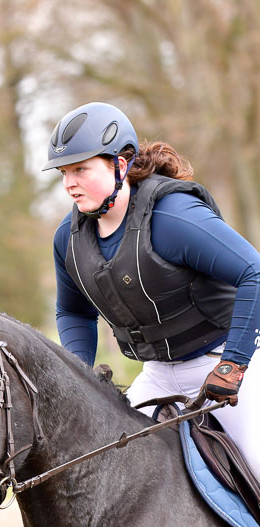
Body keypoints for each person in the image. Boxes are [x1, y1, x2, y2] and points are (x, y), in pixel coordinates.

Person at [43, 101, 260, 480]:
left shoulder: (173, 217)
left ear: (121, 163)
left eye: (81, 169)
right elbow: (74, 312)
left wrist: (234, 365)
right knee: (103, 474)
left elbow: (254, 273)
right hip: (158, 376)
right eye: (64, 172)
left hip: (229, 361)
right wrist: (79, 378)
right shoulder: (68, 239)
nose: (69, 183)